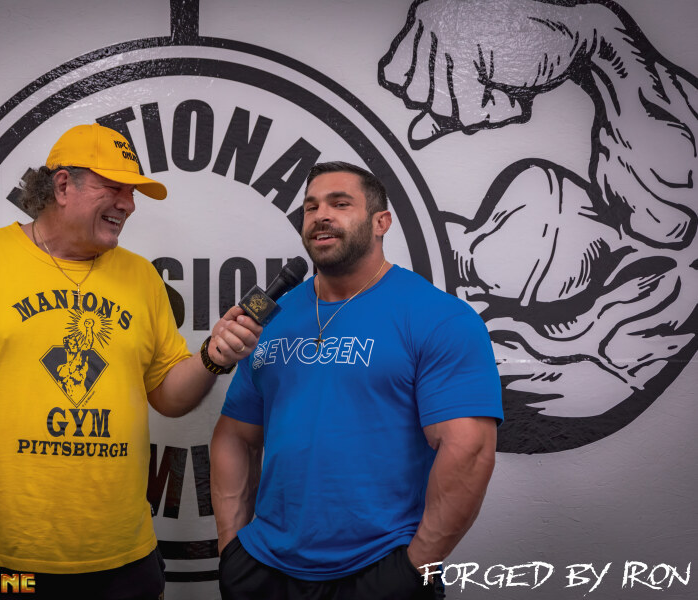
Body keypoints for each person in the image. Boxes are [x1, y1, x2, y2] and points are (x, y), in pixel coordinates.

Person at [0, 123, 262, 598]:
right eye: (114, 187)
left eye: (132, 192)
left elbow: (168, 397)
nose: (128, 204)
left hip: (121, 556)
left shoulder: (140, 277)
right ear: (63, 185)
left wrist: (213, 357)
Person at [211, 161, 503, 599]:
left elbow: (470, 451)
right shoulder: (271, 317)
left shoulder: (439, 317)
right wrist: (232, 549)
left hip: (380, 568)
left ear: (381, 222)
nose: (321, 216)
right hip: (264, 568)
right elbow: (235, 434)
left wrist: (414, 567)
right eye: (311, 207)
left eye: (340, 204)